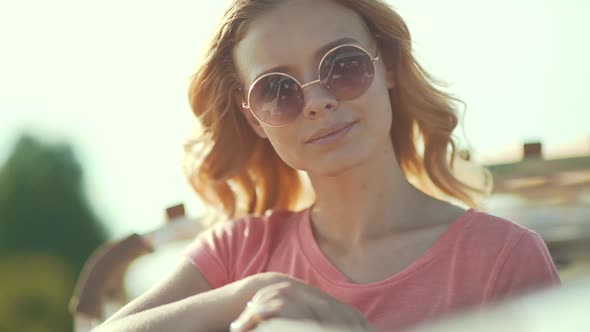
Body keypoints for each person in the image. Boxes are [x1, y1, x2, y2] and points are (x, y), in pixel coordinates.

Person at [95, 0, 560, 331]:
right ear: (252, 118)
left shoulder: (504, 257)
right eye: (277, 90)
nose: (317, 102)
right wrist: (249, 292)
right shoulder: (239, 254)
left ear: (389, 66)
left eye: (342, 66)